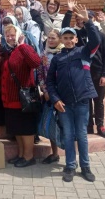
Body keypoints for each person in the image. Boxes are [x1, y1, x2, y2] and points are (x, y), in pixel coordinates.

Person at [46, 5, 101, 183]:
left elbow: (96, 41)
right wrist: (55, 99)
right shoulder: (57, 59)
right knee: (68, 135)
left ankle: (85, 166)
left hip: (82, 102)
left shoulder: (84, 53)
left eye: (71, 38)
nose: (69, 40)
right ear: (62, 39)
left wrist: (88, 21)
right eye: (66, 38)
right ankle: (70, 165)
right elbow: (50, 82)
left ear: (76, 39)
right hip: (65, 104)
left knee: (82, 135)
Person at [61, 0, 105, 138]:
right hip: (83, 74)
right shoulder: (77, 35)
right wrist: (70, 12)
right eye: (77, 19)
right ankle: (88, 125)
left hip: (98, 73)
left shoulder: (100, 35)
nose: (80, 21)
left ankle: (100, 125)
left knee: (98, 101)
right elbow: (64, 29)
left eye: (83, 18)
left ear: (90, 19)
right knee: (86, 101)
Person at [0, 25, 41, 167]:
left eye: (12, 35)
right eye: (7, 35)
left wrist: (23, 46)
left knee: (26, 129)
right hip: (11, 99)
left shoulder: (24, 49)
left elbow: (36, 62)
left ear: (18, 35)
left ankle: (29, 157)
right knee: (18, 129)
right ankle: (21, 155)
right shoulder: (10, 51)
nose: (10, 38)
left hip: (23, 99)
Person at [37, 29, 64, 164]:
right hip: (49, 95)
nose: (51, 40)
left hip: (63, 95)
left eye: (54, 38)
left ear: (59, 39)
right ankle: (55, 154)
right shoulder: (44, 55)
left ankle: (69, 154)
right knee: (52, 124)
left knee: (65, 125)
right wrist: (45, 91)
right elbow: (41, 74)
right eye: (49, 38)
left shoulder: (64, 54)